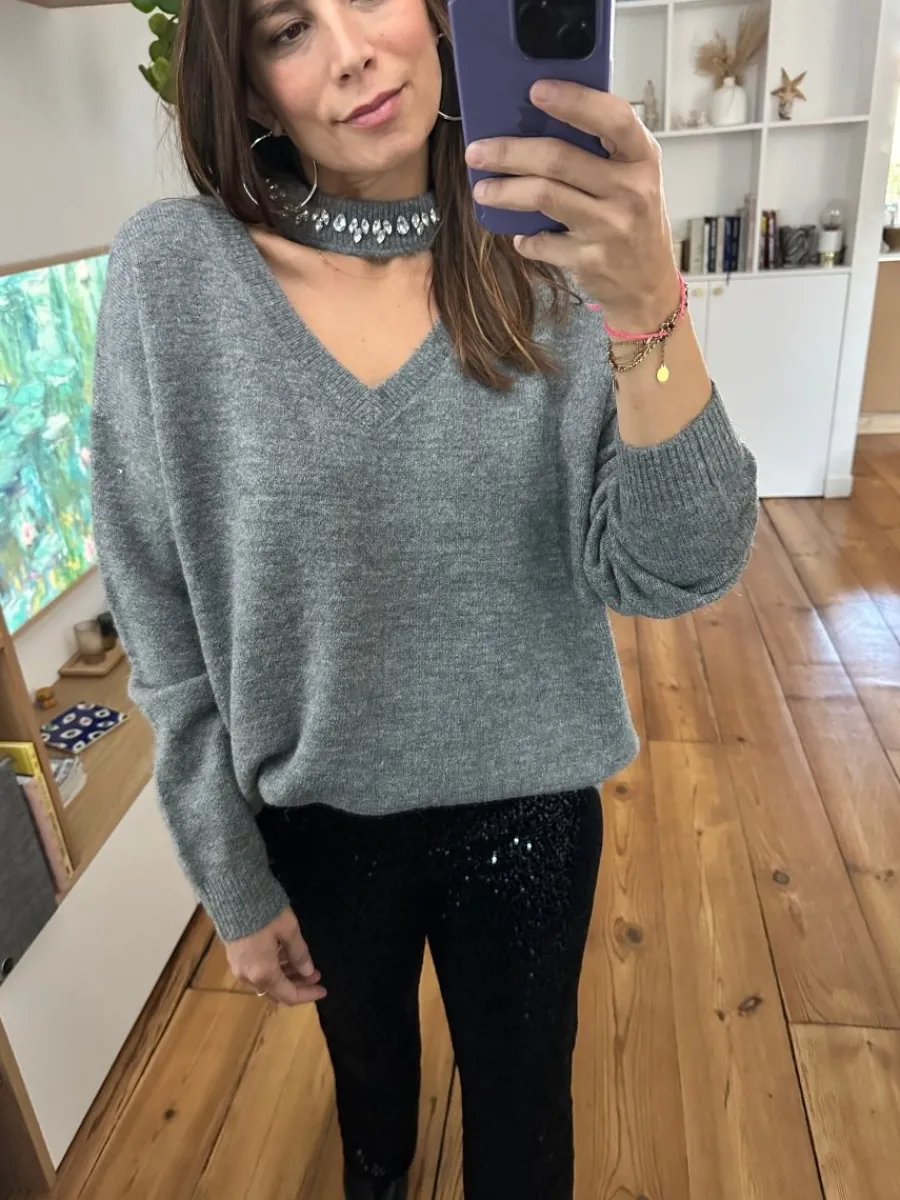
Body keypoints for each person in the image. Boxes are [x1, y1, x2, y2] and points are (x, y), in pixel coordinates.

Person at [90, 0, 758, 1196]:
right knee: (373, 1123)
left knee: (525, 1134)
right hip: (318, 821)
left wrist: (648, 304)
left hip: (531, 813)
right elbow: (158, 610)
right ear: (248, 84)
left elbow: (680, 564)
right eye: (288, 28)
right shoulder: (173, 276)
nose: (350, 51)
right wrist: (227, 875)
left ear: (443, 17)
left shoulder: (559, 252)